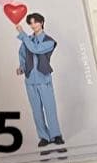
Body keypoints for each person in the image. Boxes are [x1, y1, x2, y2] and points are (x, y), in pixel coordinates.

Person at [13, 12, 63, 148]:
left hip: (43, 79)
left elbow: (35, 49)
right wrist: (22, 68)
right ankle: (44, 137)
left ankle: (56, 135)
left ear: (41, 22)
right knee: (36, 110)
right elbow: (22, 55)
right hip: (30, 80)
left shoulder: (49, 41)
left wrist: (22, 34)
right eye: (30, 23)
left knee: (50, 108)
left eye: (35, 22)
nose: (33, 25)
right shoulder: (27, 40)